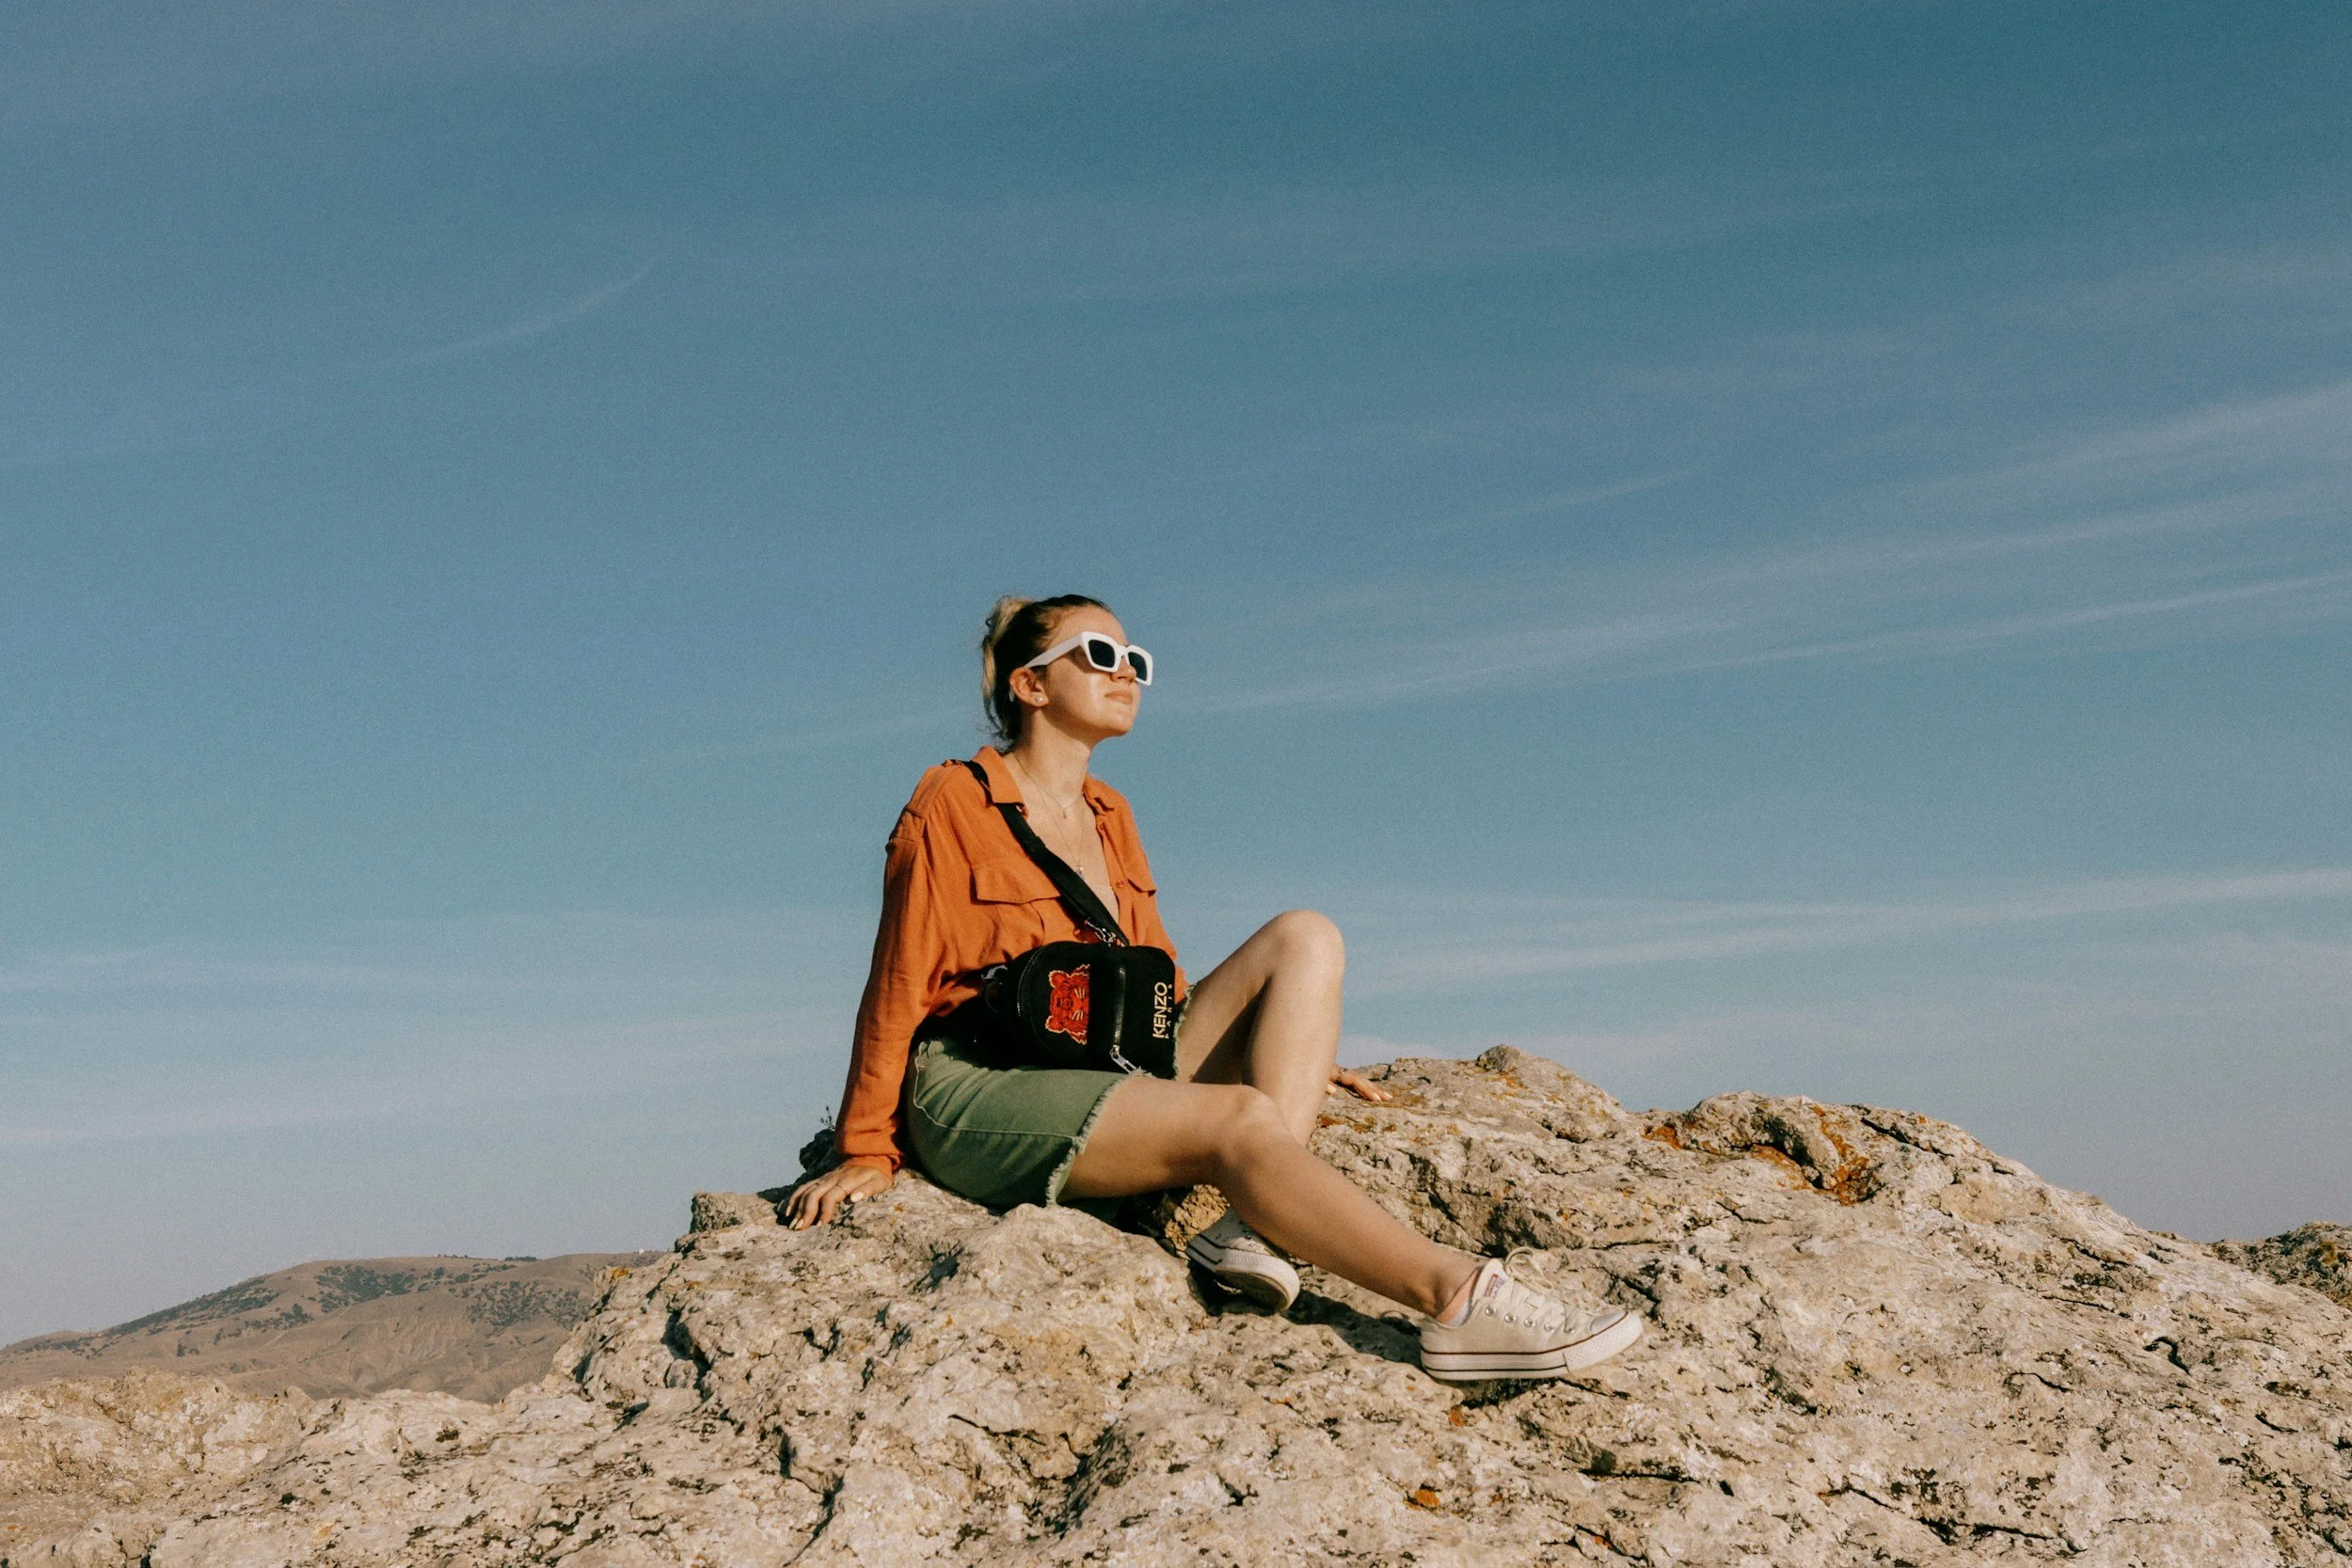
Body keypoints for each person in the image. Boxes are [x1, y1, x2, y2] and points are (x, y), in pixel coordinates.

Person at [785, 594, 1641, 1382]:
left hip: (1104, 1058)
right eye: (1099, 654)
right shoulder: (954, 801)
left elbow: (1154, 974)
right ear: (1029, 685)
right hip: (981, 1084)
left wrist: (1287, 1045)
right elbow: (897, 976)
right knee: (1241, 1121)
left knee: (1307, 935)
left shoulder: (1111, 812)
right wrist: (867, 1144)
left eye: (1136, 660)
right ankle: (1457, 1302)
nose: (1128, 673)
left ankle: (1250, 1228)